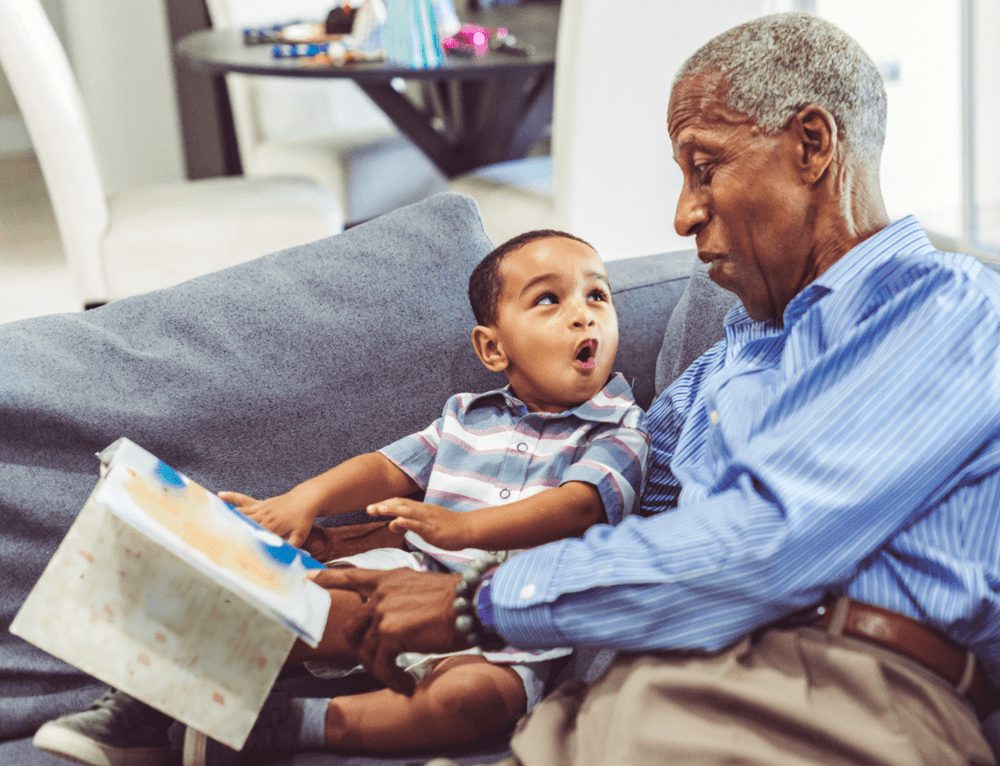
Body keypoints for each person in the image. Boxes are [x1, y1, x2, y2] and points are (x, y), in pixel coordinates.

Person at [310, 12, 1000, 766]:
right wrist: (375, 545)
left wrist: (476, 603)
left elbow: (765, 542)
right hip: (628, 690)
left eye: (704, 168)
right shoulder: (724, 363)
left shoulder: (945, 308)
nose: (682, 215)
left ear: (812, 145)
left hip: (829, 693)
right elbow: (598, 505)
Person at [31, 229, 649, 766]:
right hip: (407, 581)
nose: (583, 314)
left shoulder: (620, 430)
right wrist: (306, 500)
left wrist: (464, 530)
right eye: (550, 299)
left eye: (598, 295)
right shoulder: (467, 417)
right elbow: (383, 468)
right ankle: (146, 704)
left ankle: (279, 726)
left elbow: (578, 507)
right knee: (298, 596)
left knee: (477, 702)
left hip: (507, 624)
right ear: (493, 349)